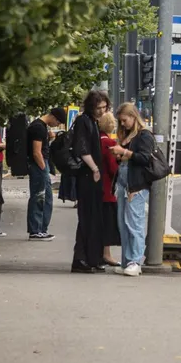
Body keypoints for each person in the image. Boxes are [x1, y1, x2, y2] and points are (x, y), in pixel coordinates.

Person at [111, 102, 155, 277]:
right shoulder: (128, 136)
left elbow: (145, 158)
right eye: (120, 121)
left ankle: (134, 261)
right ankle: (126, 261)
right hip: (124, 183)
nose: (122, 124)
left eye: (124, 120)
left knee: (133, 223)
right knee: (123, 224)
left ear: (133, 117)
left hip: (136, 185)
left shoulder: (143, 136)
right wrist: (120, 155)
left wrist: (125, 152)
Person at [71, 91, 110, 273]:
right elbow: (82, 148)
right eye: (99, 107)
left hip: (90, 175)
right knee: (88, 217)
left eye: (104, 107)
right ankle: (82, 258)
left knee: (92, 217)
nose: (102, 111)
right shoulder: (84, 121)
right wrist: (94, 169)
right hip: (88, 175)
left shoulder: (90, 121)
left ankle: (90, 257)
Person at [26, 108, 63, 240]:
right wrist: (43, 168)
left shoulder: (40, 127)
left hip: (40, 164)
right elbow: (36, 152)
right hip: (39, 165)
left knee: (45, 197)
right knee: (40, 197)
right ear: (53, 117)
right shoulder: (38, 128)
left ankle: (40, 228)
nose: (57, 125)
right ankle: (36, 229)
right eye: (58, 122)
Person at [98, 113, 122, 267]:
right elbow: (114, 169)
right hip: (108, 189)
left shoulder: (95, 141)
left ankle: (100, 253)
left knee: (98, 222)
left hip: (96, 186)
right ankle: (106, 254)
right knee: (107, 224)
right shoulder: (109, 142)